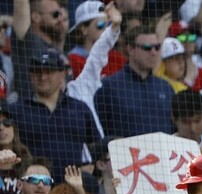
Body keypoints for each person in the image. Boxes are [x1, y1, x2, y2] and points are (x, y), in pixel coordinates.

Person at [10, 49, 101, 183]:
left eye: (48, 71)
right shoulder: (16, 111)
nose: (42, 77)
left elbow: (97, 147)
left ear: (62, 74)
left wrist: (93, 167)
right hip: (32, 187)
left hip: (72, 191)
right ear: (30, 75)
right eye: (37, 71)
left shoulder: (80, 109)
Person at [93, 25, 174, 138]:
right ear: (130, 49)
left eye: (157, 47)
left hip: (165, 153)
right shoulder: (109, 87)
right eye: (147, 47)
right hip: (125, 154)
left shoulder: (165, 87)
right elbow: (99, 132)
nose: (153, 52)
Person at [10, 0, 67, 100]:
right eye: (55, 14)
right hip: (33, 111)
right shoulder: (28, 42)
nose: (60, 19)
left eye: (60, 14)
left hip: (62, 111)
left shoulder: (58, 47)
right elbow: (20, 3)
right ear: (36, 17)